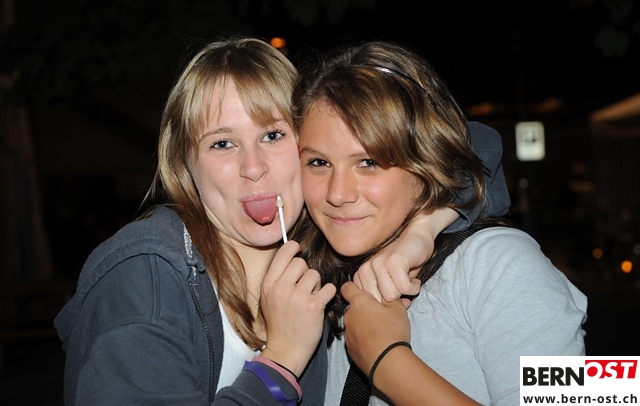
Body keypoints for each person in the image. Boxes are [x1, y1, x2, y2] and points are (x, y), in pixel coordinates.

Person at [52, 36, 507, 405]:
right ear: (185, 164)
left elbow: (478, 148)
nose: (253, 167)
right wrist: (281, 362)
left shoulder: (495, 264)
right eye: (222, 144)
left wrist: (423, 229)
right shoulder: (151, 275)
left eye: (273, 135)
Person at [290, 40, 588, 405]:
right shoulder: (309, 284)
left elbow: (593, 394)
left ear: (425, 163)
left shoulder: (502, 262)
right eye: (319, 163)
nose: (337, 194)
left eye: (369, 162)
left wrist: (388, 363)